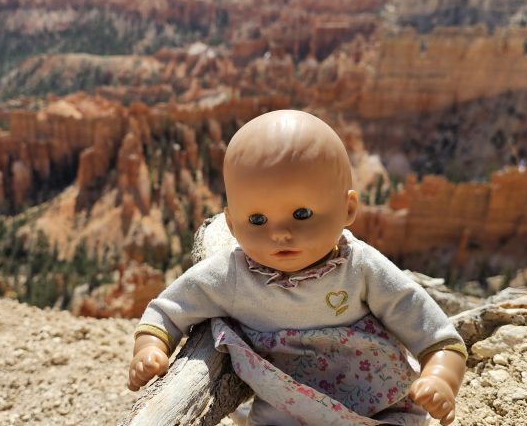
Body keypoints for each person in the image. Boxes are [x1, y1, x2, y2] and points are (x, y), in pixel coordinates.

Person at [127, 110, 466, 426]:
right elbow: (168, 310)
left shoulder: (359, 266)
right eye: (257, 219)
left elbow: (432, 332)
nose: (280, 233)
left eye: (301, 214)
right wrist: (151, 348)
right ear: (231, 224)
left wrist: (440, 377)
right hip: (285, 411)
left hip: (381, 406)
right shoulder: (232, 274)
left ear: (348, 209)